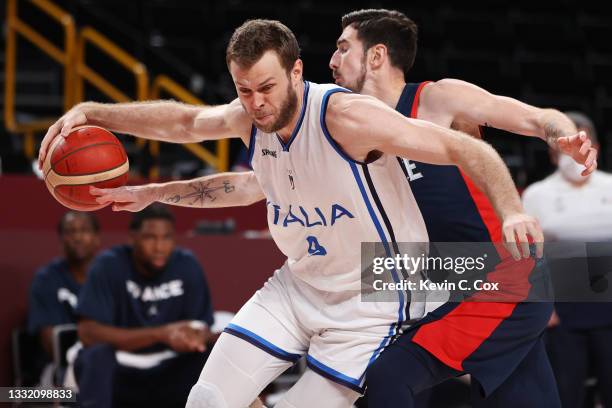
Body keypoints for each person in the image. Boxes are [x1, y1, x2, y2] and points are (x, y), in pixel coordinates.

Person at [90, 11, 596, 408]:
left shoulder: (432, 102)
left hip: (486, 270)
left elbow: (530, 119)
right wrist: (156, 188)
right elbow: (257, 182)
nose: (331, 58)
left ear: (375, 56)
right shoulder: (327, 123)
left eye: (342, 47)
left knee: (395, 377)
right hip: (419, 273)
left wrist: (562, 137)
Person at [73, 204, 215, 407]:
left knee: (210, 353)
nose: (159, 247)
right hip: (122, 366)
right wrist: (160, 334)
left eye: (166, 238)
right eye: (150, 238)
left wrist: (197, 336)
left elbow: (202, 327)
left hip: (169, 366)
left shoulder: (187, 264)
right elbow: (87, 332)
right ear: (133, 238)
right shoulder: (108, 265)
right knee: (96, 356)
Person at [523, 111, 612, 407]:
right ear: (553, 152)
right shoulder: (537, 194)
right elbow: (529, 254)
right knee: (567, 389)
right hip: (562, 311)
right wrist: (542, 306)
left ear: (595, 148)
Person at [28, 211, 100, 376]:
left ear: (97, 238)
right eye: (70, 231)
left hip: (107, 363)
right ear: (61, 240)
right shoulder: (46, 279)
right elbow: (52, 345)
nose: (78, 237)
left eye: (84, 230)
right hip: (59, 369)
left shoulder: (109, 276)